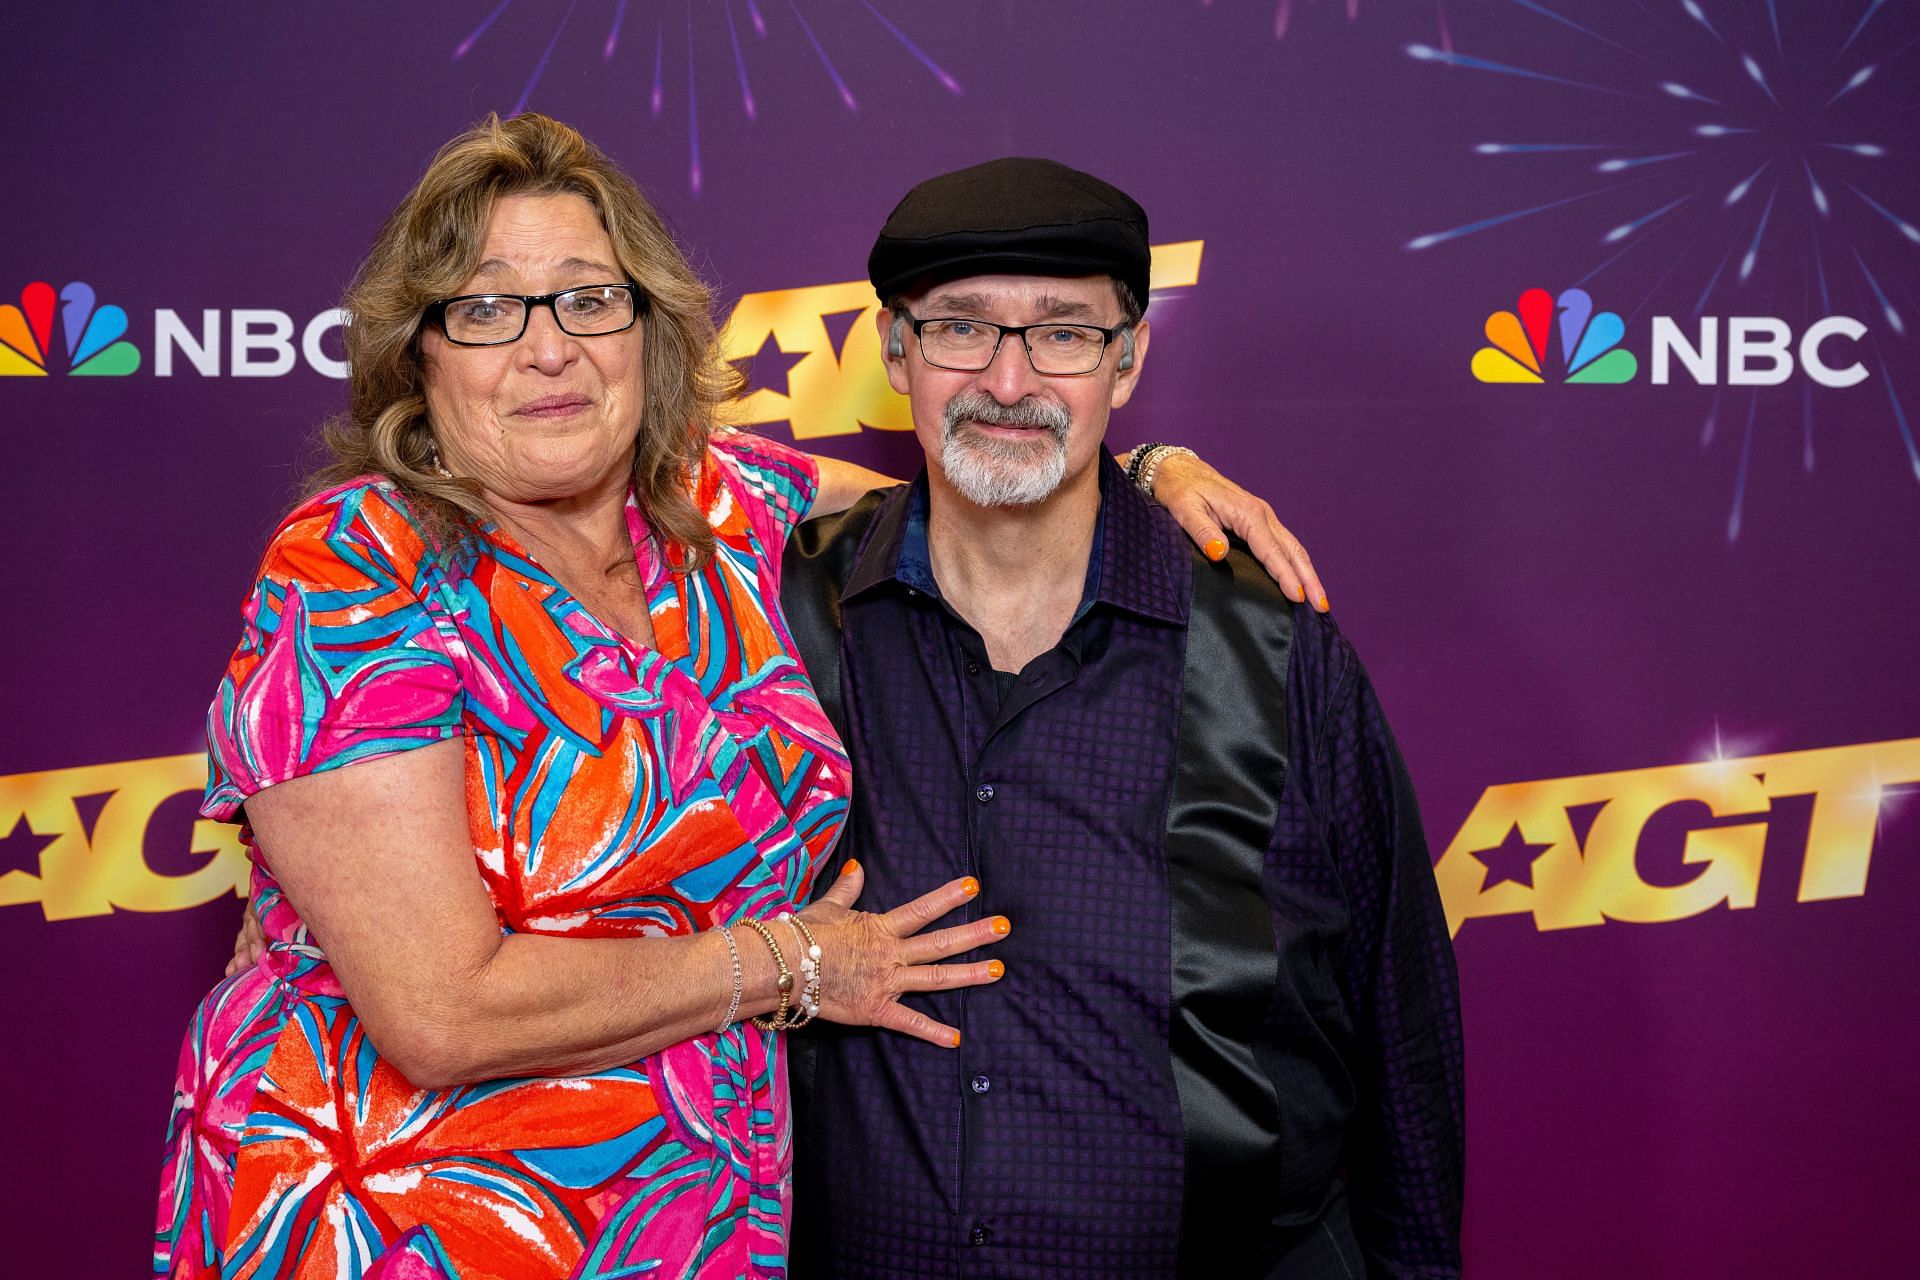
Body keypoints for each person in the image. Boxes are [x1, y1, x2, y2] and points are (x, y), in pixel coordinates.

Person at [167, 116, 1322, 1279]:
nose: (547, 349)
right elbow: (443, 1012)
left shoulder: (722, 504)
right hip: (412, 1221)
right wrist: (800, 965)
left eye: (586, 299)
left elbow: (990, 490)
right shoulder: (359, 565)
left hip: (697, 1219)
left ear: (647, 329)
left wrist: (1144, 468)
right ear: (419, 355)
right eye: (485, 310)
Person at [781, 158, 1465, 1279]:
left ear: (1129, 358)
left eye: (1062, 333)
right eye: (961, 328)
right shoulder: (779, 623)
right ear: (895, 350)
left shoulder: (1271, 642)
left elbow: (1401, 1022)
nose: (1008, 380)